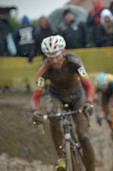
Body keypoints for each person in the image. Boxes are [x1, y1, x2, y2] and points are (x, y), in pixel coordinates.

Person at [31, 35, 96, 171]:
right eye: (50, 57)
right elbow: (36, 96)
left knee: (83, 135)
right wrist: (35, 111)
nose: (54, 61)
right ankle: (61, 158)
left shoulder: (74, 61)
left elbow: (89, 86)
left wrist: (89, 102)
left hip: (77, 96)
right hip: (56, 96)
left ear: (64, 52)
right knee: (53, 117)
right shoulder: (43, 69)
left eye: (56, 56)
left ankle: (91, 168)